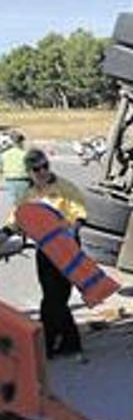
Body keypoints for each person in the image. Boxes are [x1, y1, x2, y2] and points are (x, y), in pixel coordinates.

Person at [2, 148, 88, 361]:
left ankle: (51, 345)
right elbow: (15, 222)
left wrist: (71, 230)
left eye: (45, 167)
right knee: (52, 299)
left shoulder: (65, 188)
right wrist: (3, 236)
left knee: (55, 299)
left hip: (66, 249)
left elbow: (80, 214)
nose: (42, 172)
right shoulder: (28, 196)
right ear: (29, 172)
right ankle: (66, 343)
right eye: (36, 169)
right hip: (45, 253)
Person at [1, 130, 29, 209]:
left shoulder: (4, 154)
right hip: (24, 182)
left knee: (13, 205)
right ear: (21, 142)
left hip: (9, 182)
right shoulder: (25, 154)